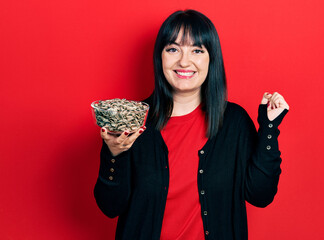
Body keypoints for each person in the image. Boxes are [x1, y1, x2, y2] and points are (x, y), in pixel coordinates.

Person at [94, 9, 289, 240]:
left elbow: (260, 195)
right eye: (173, 49)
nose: (184, 61)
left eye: (197, 50)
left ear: (211, 58)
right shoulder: (133, 120)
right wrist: (115, 154)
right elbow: (110, 207)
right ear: (160, 57)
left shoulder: (234, 121)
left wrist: (269, 129)